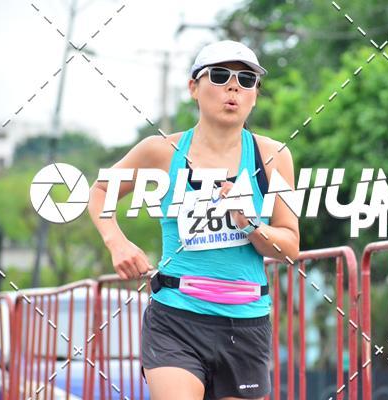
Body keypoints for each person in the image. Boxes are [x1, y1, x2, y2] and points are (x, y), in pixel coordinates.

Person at [88, 40, 300, 400]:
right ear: (193, 88)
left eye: (246, 80)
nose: (233, 87)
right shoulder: (160, 151)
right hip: (176, 317)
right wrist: (117, 242)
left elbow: (289, 247)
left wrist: (250, 223)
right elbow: (98, 191)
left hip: (246, 323)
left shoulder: (273, 156)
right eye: (219, 76)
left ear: (254, 96)